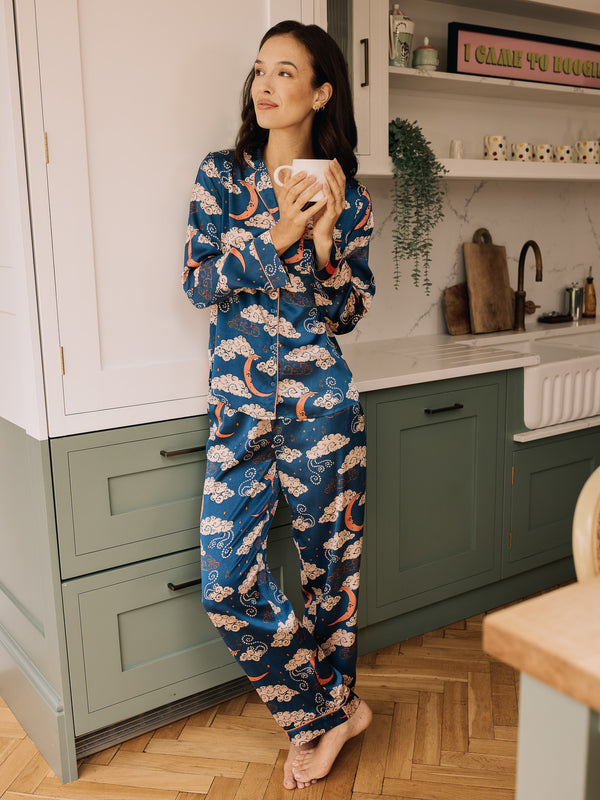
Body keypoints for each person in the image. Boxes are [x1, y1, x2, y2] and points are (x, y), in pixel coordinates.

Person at [182, 19, 375, 790]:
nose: (264, 84)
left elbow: (350, 311)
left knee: (332, 578)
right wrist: (276, 233)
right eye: (260, 70)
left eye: (285, 73)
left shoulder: (347, 196)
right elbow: (198, 282)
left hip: (322, 409)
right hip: (239, 413)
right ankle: (331, 713)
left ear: (320, 92)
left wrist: (325, 242)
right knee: (226, 584)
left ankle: (320, 724)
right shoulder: (219, 178)